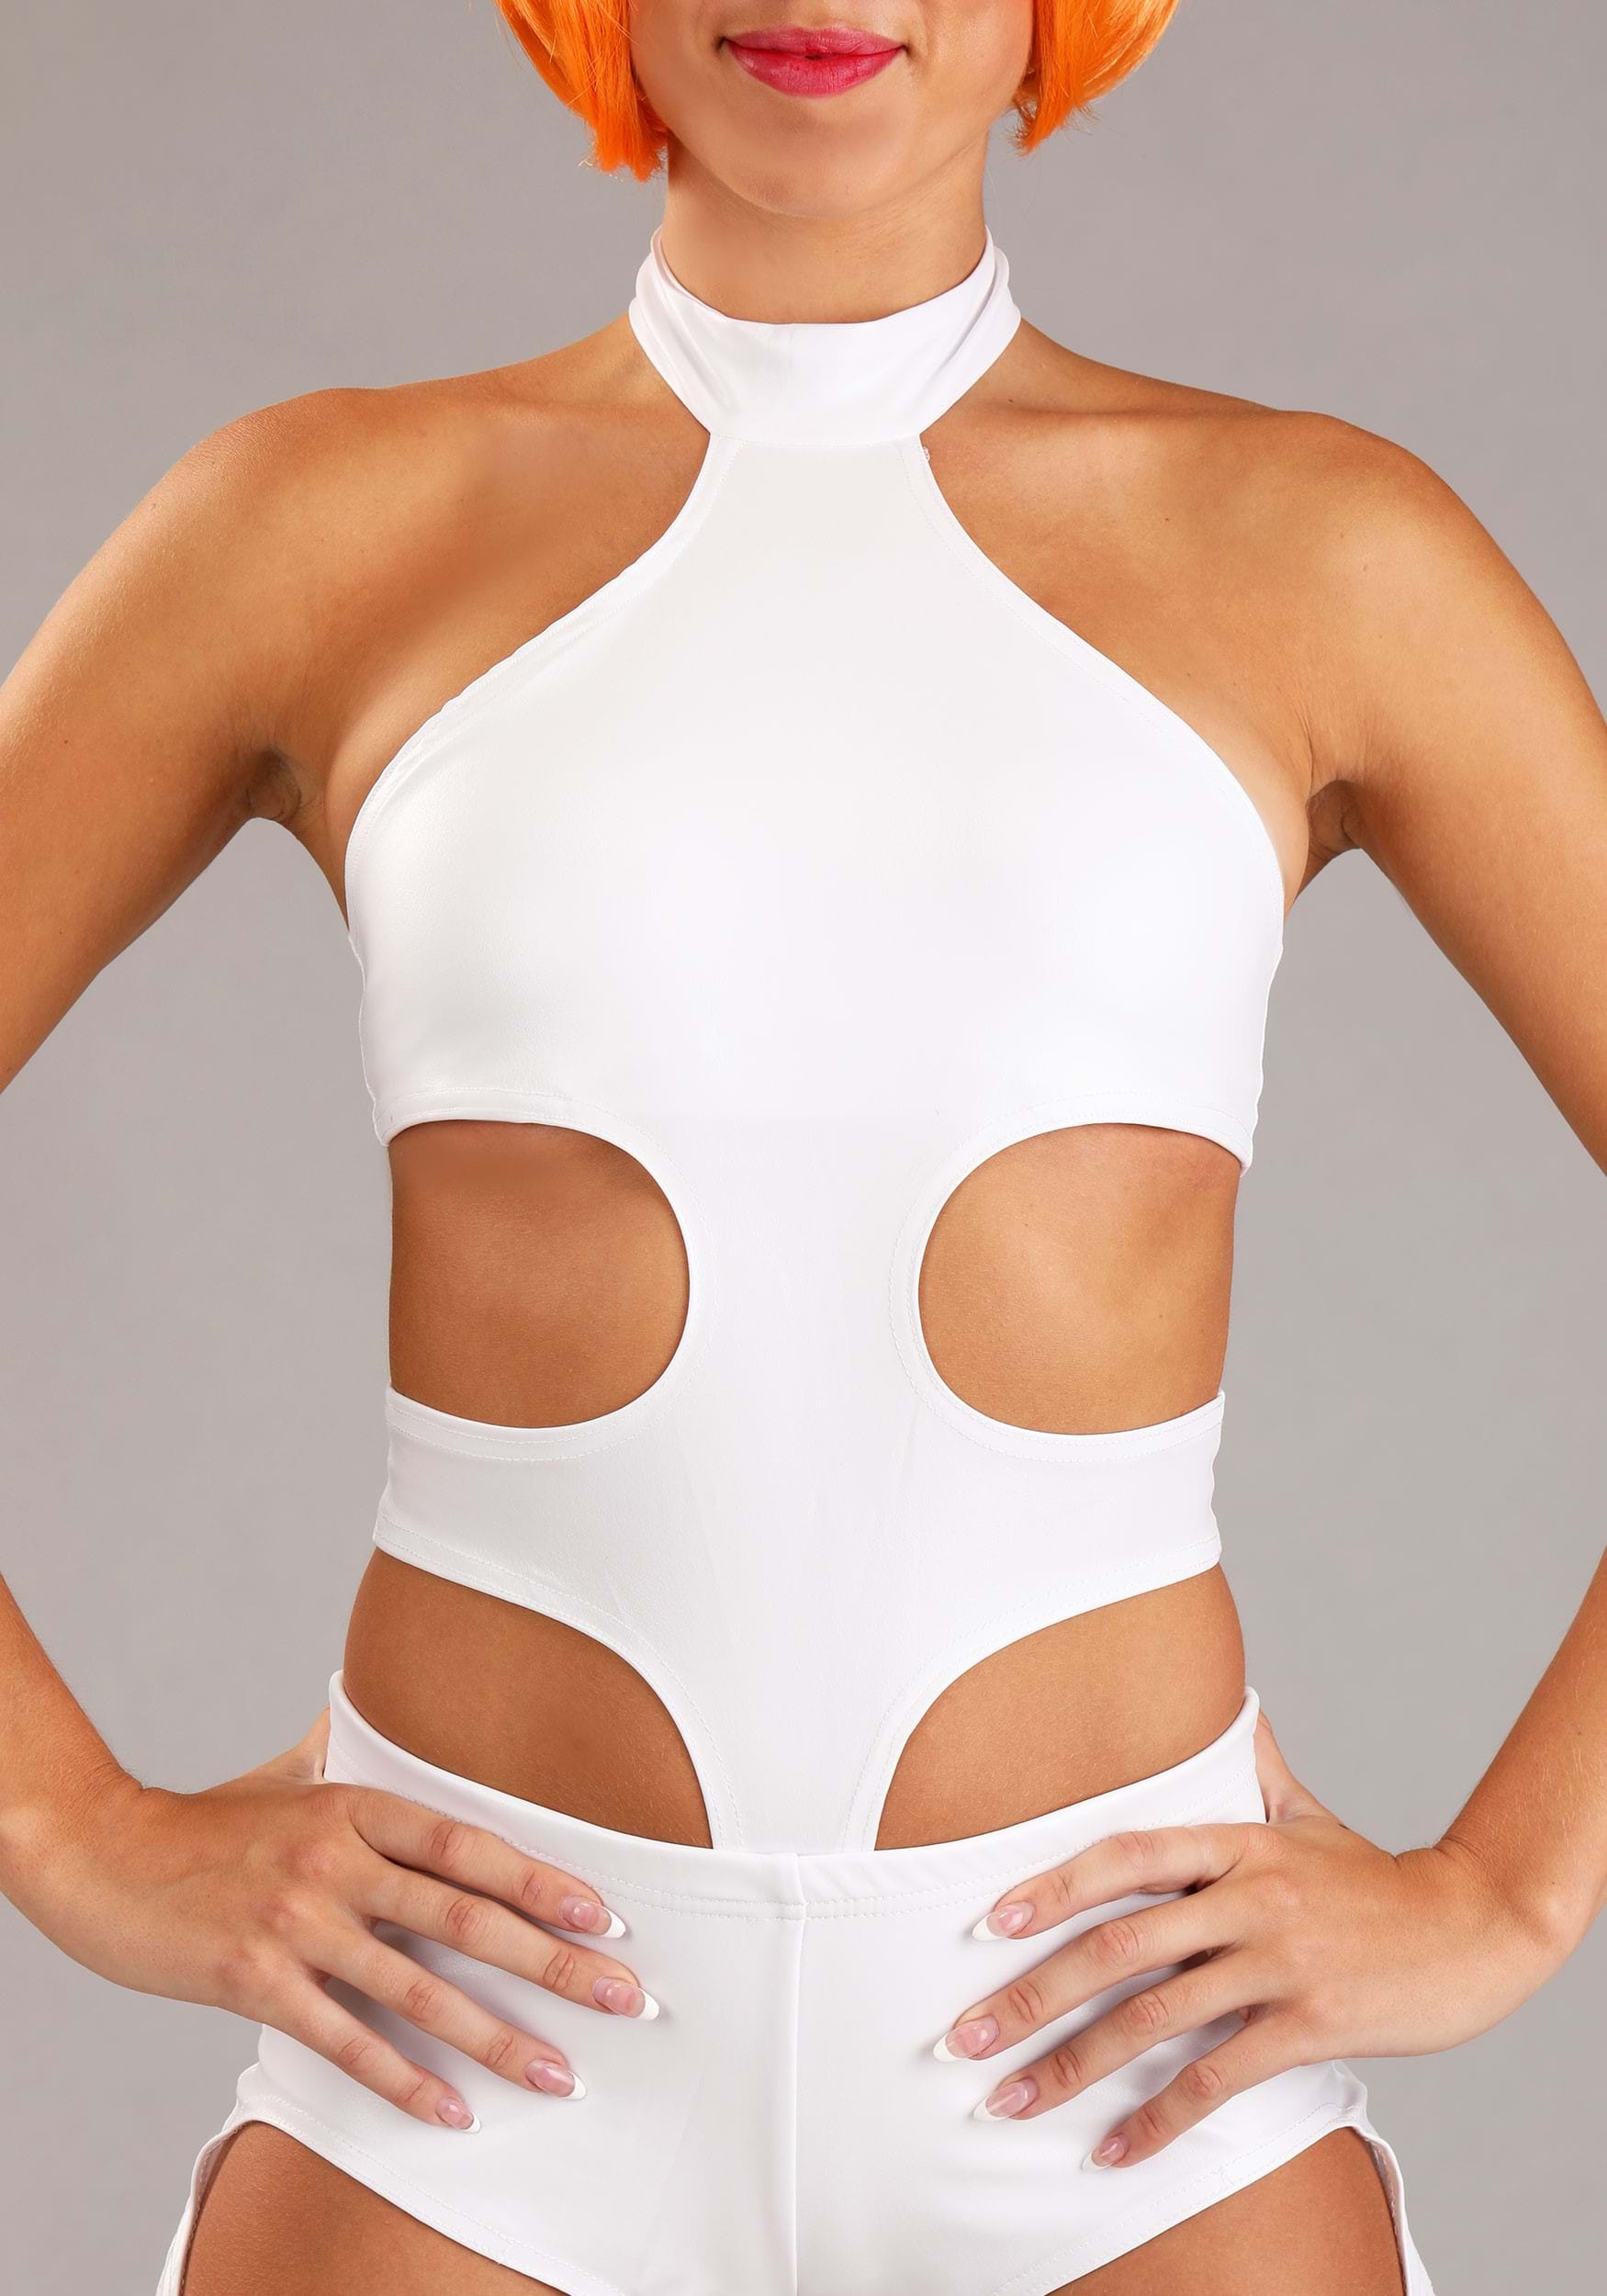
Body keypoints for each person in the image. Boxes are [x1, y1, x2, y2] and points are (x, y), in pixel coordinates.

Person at [3, 1, 1604, 2290]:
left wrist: (1510, 1888)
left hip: (1123, 2084)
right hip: (467, 2073)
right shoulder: (321, 523)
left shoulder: (1312, 550)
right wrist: (64, 1825)